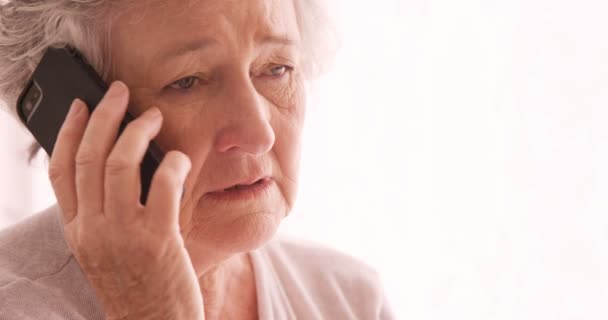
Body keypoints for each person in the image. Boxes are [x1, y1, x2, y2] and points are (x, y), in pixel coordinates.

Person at [0, 0, 395, 319]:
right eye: (187, 81)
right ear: (79, 116)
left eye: (277, 69)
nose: (260, 135)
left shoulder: (350, 300)